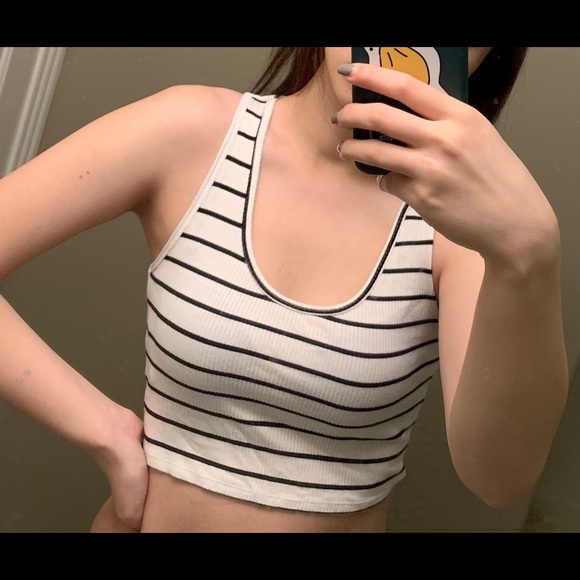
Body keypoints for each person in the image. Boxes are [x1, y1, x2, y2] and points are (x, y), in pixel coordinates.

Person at [0, 47, 569, 533]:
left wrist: (529, 257)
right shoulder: (189, 131)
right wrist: (107, 433)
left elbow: (498, 479)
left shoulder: (462, 227)